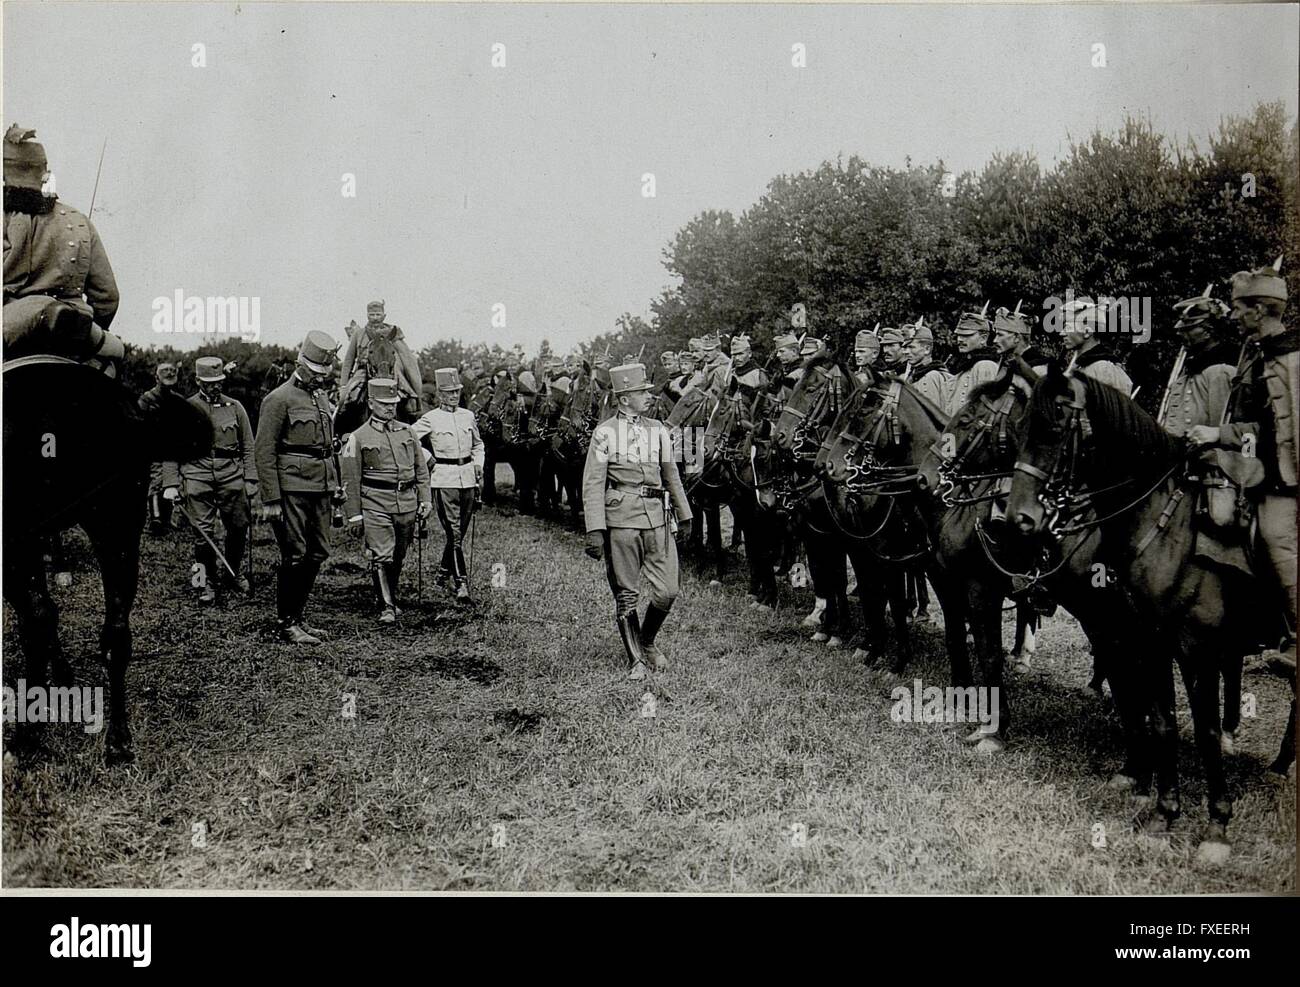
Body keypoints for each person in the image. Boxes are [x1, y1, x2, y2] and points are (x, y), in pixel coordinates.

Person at [1193, 262, 1297, 667]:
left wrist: (1219, 436)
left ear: (1258, 310)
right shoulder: (1254, 354)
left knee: (1275, 537)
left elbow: (1275, 432)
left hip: (1284, 479)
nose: (1233, 315)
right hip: (1256, 472)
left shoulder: (1290, 357)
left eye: (1238, 308)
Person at [582, 363, 693, 680]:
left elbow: (671, 475)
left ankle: (646, 640)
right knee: (626, 593)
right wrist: (595, 529)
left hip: (658, 518)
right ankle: (637, 660)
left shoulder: (658, 429)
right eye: (641, 392)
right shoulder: (604, 433)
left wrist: (685, 514)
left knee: (668, 590)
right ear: (624, 398)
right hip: (622, 519)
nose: (648, 396)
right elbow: (593, 483)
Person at [3, 124, 124, 374]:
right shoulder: (78, 220)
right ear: (44, 172)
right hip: (76, 336)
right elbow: (107, 296)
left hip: (12, 335)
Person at [255, 331, 344, 645]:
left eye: (324, 371)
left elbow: (327, 448)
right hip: (291, 487)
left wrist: (335, 484)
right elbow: (264, 450)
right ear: (299, 364)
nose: (320, 377)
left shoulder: (320, 398)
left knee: (318, 552)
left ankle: (298, 616)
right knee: (295, 553)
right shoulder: (278, 399)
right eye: (315, 370)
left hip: (321, 486)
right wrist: (271, 498)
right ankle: (286, 622)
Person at [165, 357, 258, 603]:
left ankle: (233, 573)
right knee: (202, 533)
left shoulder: (235, 407)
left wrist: (251, 478)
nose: (216, 386)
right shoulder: (185, 409)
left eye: (219, 382)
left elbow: (249, 445)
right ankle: (205, 581)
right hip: (197, 473)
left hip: (231, 473)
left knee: (239, 526)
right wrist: (171, 484)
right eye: (210, 382)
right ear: (198, 381)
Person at [343, 378, 431, 623]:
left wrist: (425, 499)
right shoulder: (358, 437)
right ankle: (387, 607)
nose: (390, 408)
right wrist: (355, 514)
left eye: (393, 403)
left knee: (398, 555)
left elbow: (421, 469)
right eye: (384, 403)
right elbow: (351, 477)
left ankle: (388, 595)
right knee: (382, 554)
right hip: (375, 502)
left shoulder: (408, 432)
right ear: (371, 403)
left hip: (406, 503)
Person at [412, 368, 486, 601]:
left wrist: (478, 463)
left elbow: (478, 444)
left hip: (468, 479)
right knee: (454, 533)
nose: (454, 396)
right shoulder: (431, 418)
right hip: (444, 478)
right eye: (449, 392)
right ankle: (461, 583)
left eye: (457, 391)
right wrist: (428, 458)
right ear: (440, 395)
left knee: (459, 533)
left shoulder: (468, 416)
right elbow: (408, 439)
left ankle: (443, 573)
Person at [338, 300, 423, 430]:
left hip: (390, 371)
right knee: (347, 397)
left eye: (378, 314)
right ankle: (339, 429)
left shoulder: (392, 332)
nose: (375, 318)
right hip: (364, 370)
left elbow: (405, 355)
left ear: (384, 315)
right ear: (367, 315)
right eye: (372, 315)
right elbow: (348, 360)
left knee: (407, 394)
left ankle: (412, 422)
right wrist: (343, 385)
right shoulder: (359, 334)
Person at [1057, 297, 1132, 394]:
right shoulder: (1080, 366)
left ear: (1087, 332)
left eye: (1067, 327)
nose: (1062, 333)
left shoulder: (1103, 370)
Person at [140, 361, 182, 534]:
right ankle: (156, 519)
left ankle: (166, 519)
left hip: (172, 449)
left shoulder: (177, 400)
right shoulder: (147, 399)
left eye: (172, 375)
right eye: (164, 376)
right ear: (156, 378)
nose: (169, 377)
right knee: (156, 481)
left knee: (171, 482)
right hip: (153, 448)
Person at [944, 307, 1000, 414]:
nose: (960, 340)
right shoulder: (962, 366)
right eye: (959, 335)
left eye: (966, 335)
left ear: (983, 338)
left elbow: (985, 411)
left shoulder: (985, 365)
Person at [902, 320, 949, 408]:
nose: (906, 352)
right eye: (905, 347)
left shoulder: (930, 376)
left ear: (927, 349)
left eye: (911, 347)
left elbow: (930, 413)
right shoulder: (913, 375)